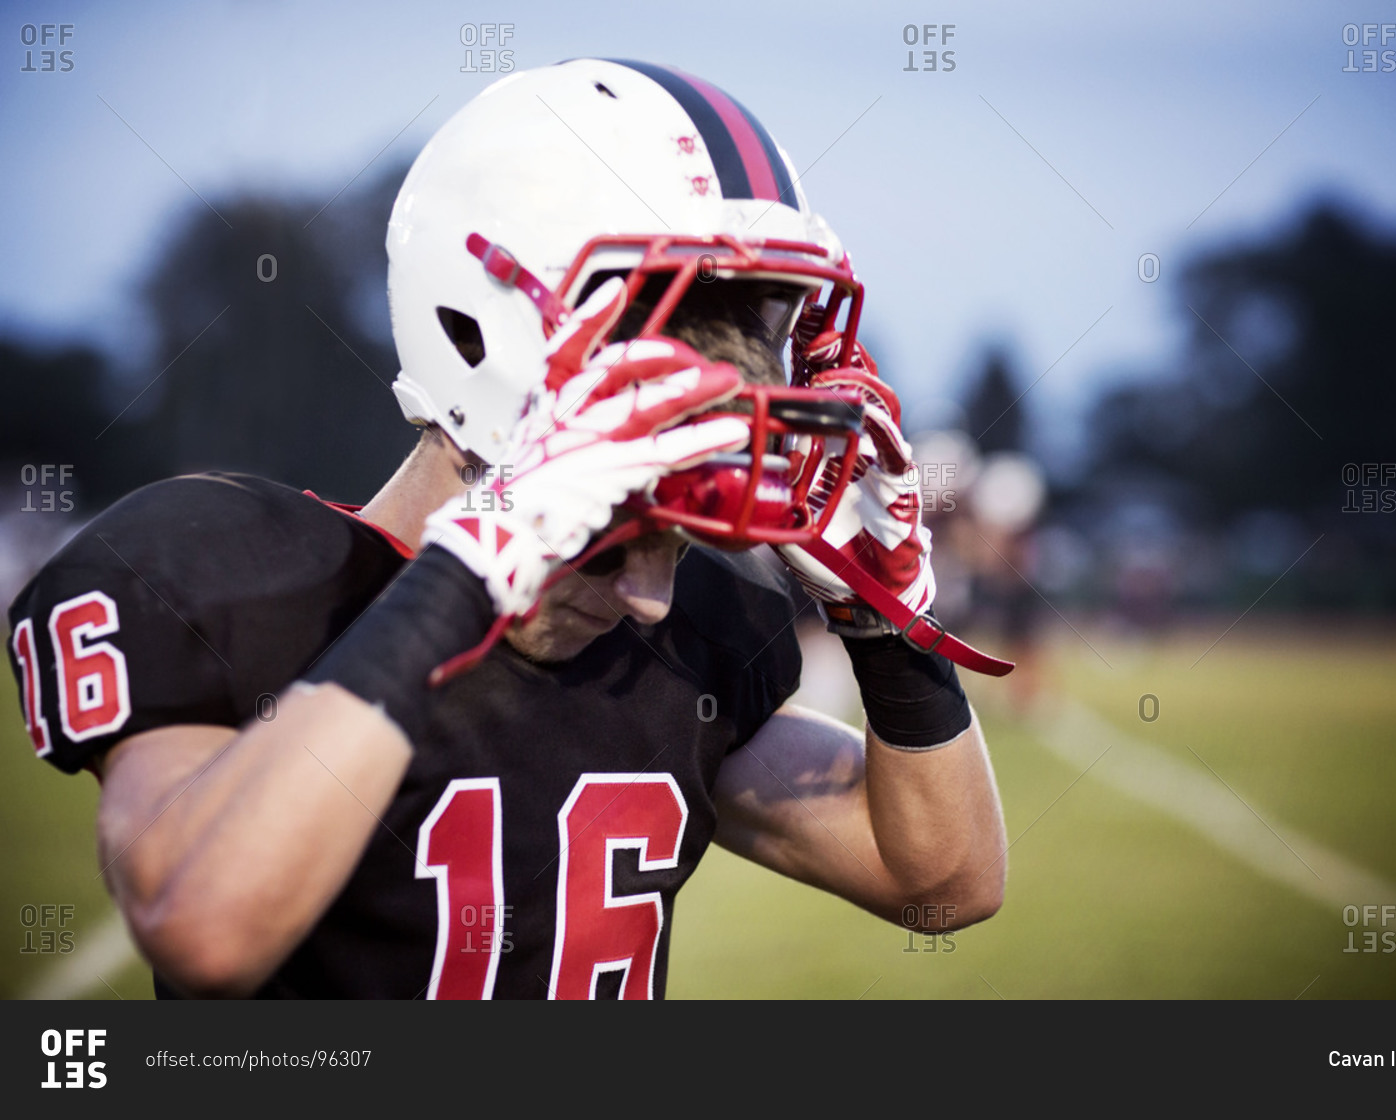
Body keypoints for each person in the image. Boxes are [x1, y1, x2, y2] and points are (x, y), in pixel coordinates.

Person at [6, 58, 1007, 999]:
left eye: (680, 533)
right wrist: (470, 571)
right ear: (473, 345)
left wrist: (893, 622)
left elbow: (943, 882)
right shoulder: (230, 568)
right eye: (613, 531)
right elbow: (202, 925)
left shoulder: (672, 649)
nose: (650, 597)